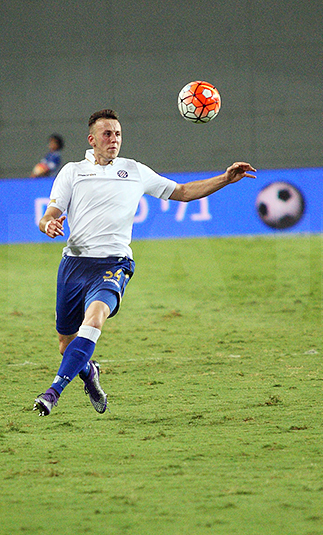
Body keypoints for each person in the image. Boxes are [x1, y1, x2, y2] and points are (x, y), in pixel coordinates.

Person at [33, 109, 256, 416]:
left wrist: (225, 179)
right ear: (92, 139)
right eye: (107, 134)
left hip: (114, 263)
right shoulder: (71, 172)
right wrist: (48, 225)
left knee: (94, 320)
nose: (114, 139)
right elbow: (50, 213)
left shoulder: (134, 171)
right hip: (75, 265)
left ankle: (53, 392)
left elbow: (183, 192)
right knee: (65, 344)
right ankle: (90, 373)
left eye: (118, 134)